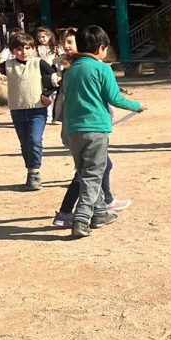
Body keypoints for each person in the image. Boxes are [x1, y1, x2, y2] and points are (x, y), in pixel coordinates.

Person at [60, 25, 145, 238]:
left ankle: (99, 214)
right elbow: (114, 98)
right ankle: (81, 219)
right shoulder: (102, 68)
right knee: (92, 175)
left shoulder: (70, 69)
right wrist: (137, 105)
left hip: (73, 130)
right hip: (95, 128)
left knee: (85, 173)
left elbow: (66, 101)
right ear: (100, 48)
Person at [0, 30, 57, 190]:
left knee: (35, 140)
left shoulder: (39, 63)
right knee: (25, 143)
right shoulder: (8, 65)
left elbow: (54, 79)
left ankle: (35, 172)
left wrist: (47, 94)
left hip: (37, 110)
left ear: (33, 48)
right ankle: (31, 172)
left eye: (27, 48)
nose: (24, 52)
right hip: (17, 110)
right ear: (12, 51)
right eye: (19, 49)